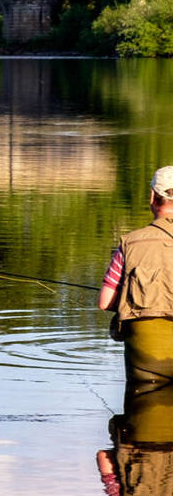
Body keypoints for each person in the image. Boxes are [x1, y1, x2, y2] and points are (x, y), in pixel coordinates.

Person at [99, 166, 173, 388]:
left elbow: (104, 302)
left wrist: (130, 296)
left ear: (152, 196)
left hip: (147, 366)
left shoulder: (129, 244)